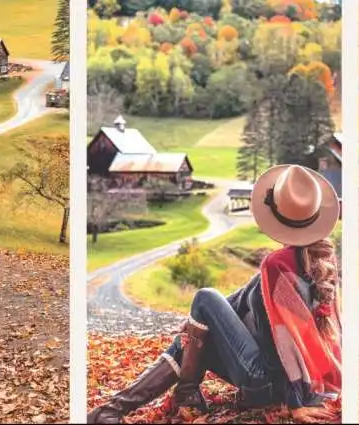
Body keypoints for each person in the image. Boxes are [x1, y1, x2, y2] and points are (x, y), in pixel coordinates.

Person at [88, 164, 342, 424]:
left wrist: (295, 403)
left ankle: (125, 407)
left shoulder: (276, 264)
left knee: (205, 297)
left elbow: (283, 341)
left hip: (265, 381)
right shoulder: (322, 259)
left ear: (275, 214)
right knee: (198, 328)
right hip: (290, 383)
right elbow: (248, 296)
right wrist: (195, 325)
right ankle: (163, 400)